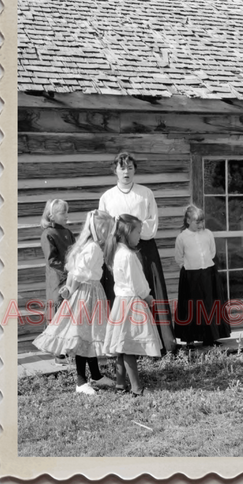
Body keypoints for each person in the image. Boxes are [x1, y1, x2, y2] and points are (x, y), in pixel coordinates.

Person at [99, 151, 176, 354]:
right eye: (122, 168)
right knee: (123, 292)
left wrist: (137, 232)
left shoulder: (145, 193)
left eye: (130, 168)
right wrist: (119, 238)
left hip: (144, 246)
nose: (126, 172)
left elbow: (152, 221)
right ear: (115, 170)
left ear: (135, 170)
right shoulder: (107, 197)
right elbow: (105, 226)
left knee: (148, 289)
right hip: (119, 250)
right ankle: (123, 344)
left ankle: (160, 342)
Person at [34, 210, 116, 396]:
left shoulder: (85, 245)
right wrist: (71, 289)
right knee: (83, 336)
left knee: (89, 336)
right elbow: (79, 273)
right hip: (88, 293)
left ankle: (95, 375)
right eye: (108, 229)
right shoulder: (94, 247)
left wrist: (70, 289)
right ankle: (80, 381)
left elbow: (73, 271)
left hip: (88, 291)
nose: (109, 233)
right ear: (100, 229)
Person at [103, 214, 162, 396]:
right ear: (128, 232)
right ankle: (137, 388)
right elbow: (138, 283)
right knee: (129, 347)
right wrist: (148, 297)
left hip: (121, 302)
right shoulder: (128, 256)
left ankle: (120, 384)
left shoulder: (117, 253)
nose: (140, 236)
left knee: (122, 346)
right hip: (131, 303)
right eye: (138, 232)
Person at [175, 204, 230, 347]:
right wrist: (189, 269)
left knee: (210, 304)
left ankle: (210, 337)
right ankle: (190, 339)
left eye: (202, 221)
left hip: (208, 273)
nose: (201, 225)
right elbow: (179, 258)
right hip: (190, 275)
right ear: (188, 221)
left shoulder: (208, 234)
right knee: (192, 306)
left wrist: (204, 266)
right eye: (197, 222)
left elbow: (212, 252)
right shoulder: (182, 237)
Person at [40, 199, 76, 364]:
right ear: (51, 215)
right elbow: (52, 259)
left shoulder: (68, 232)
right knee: (57, 309)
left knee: (68, 310)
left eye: (66, 212)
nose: (66, 215)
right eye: (62, 213)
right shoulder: (48, 234)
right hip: (57, 277)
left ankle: (66, 348)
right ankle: (57, 352)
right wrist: (68, 269)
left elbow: (76, 250)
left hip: (70, 276)